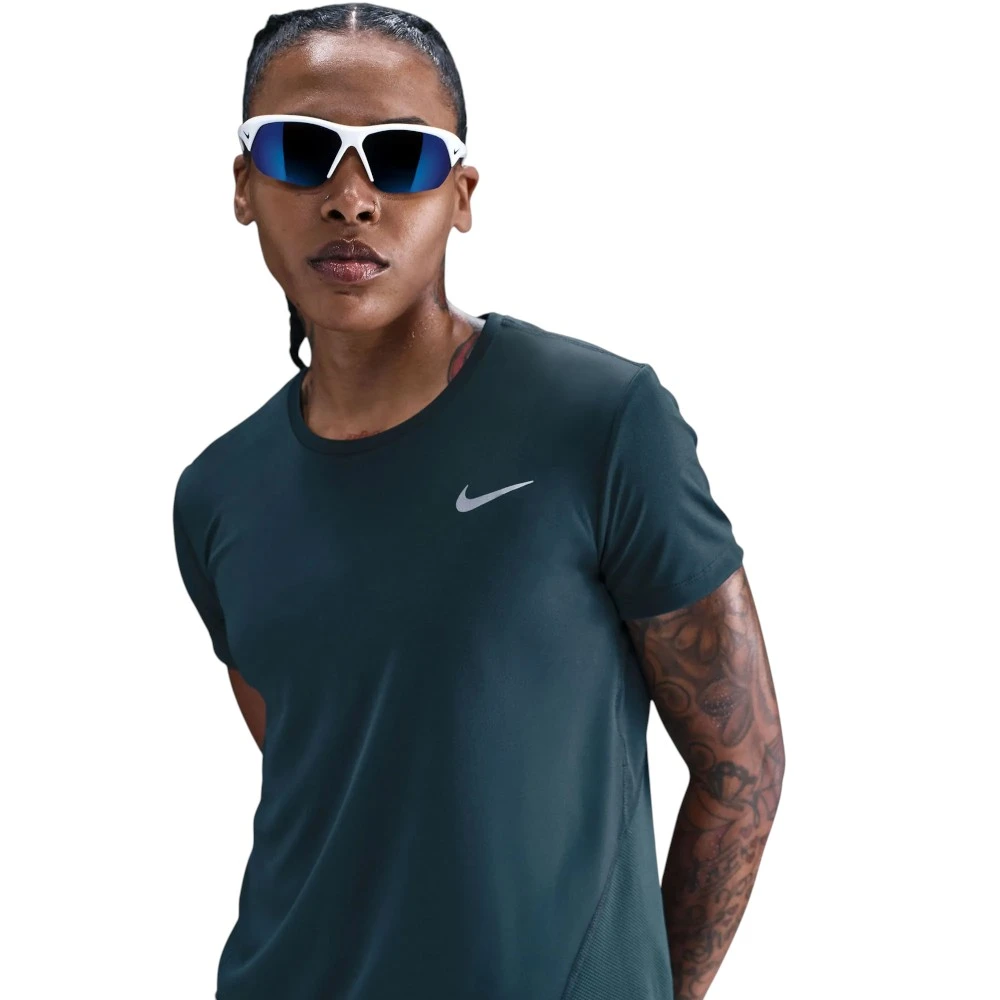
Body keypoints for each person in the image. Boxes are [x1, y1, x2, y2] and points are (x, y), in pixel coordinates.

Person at [171, 5, 785, 999]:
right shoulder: (217, 494)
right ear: (244, 184)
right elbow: (327, 780)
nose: (350, 198)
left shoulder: (599, 421)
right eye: (300, 150)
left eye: (401, 157)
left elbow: (741, 768)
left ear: (460, 196)